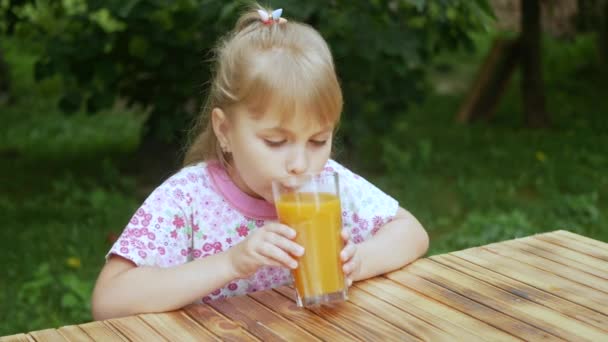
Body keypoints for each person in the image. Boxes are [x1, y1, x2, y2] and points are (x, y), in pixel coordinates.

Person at [91, 5, 428, 320]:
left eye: (318, 140)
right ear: (224, 130)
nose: (299, 164)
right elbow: (109, 300)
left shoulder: (324, 185)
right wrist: (231, 262)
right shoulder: (188, 199)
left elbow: (412, 232)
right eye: (275, 142)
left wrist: (358, 261)